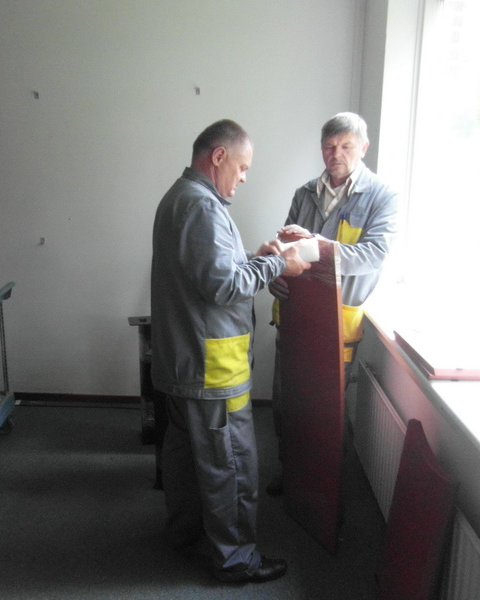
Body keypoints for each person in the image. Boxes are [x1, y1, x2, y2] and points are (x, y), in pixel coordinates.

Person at [150, 119, 311, 583]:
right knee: (231, 465)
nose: (243, 178)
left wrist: (254, 259)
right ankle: (236, 560)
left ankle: (185, 535)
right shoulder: (202, 206)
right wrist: (278, 263)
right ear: (218, 156)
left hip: (183, 361)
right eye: (242, 167)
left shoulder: (180, 197)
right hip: (213, 370)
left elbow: (208, 273)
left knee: (184, 458)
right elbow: (223, 286)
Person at [267, 112, 399, 496]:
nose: (335, 154)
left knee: (326, 411)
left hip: (337, 326)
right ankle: (291, 474)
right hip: (294, 316)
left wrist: (321, 248)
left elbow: (373, 255)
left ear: (363, 148)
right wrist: (275, 271)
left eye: (345, 146)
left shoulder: (382, 196)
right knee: (286, 403)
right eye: (328, 146)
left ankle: (325, 492)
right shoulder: (304, 193)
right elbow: (286, 248)